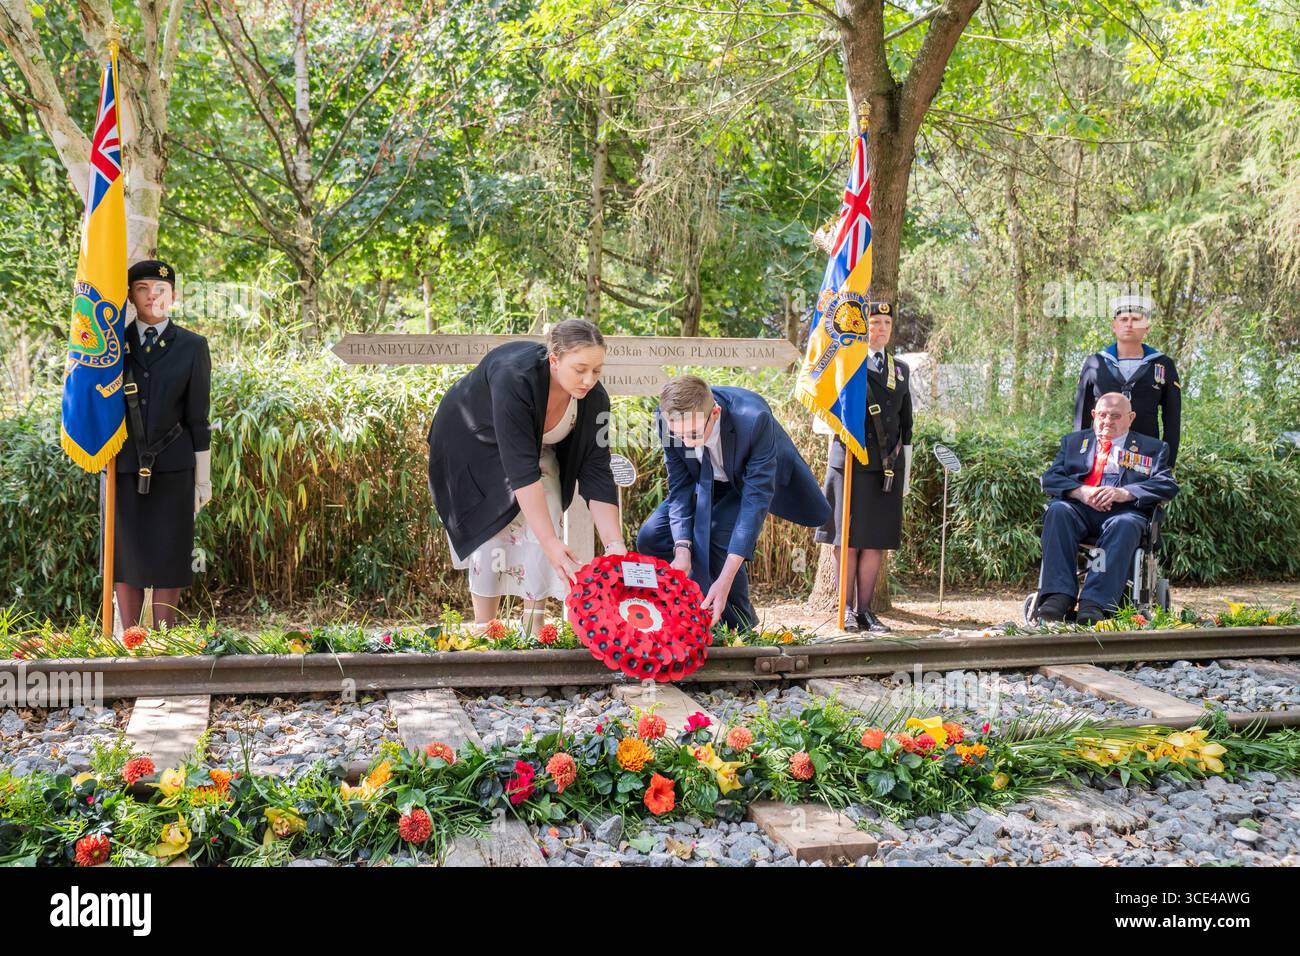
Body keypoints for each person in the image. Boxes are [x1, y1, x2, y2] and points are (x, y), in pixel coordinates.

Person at [426, 319, 624, 635]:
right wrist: (550, 543)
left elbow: (597, 470)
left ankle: (535, 630)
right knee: (492, 525)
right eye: (580, 369)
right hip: (472, 442)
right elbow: (520, 470)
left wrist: (616, 547)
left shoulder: (596, 400)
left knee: (550, 510)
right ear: (555, 359)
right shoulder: (515, 376)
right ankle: (485, 630)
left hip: (533, 448)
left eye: (597, 371)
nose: (589, 380)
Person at [636, 375, 831, 631]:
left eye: (693, 434)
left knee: (719, 537)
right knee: (650, 536)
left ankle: (738, 627)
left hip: (748, 482)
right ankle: (673, 616)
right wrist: (682, 549)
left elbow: (754, 503)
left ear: (715, 413)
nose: (686, 443)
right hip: (704, 483)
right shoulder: (669, 419)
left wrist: (724, 580)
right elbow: (680, 487)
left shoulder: (754, 418)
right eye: (678, 435)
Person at [109, 259, 212, 629]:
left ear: (174, 296)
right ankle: (132, 641)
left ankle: (165, 640)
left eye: (160, 290)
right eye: (142, 289)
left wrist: (204, 480)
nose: (152, 296)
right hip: (122, 463)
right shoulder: (111, 346)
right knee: (127, 554)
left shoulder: (192, 346)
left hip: (175, 466)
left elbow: (198, 419)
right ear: (131, 296)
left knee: (171, 551)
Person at [1037, 391, 1178, 625]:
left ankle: (1095, 603)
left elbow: (1167, 484)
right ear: (1093, 415)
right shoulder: (1073, 443)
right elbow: (1050, 478)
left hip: (1123, 513)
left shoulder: (1152, 448)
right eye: (1102, 415)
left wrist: (1125, 492)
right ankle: (1058, 596)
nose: (1107, 421)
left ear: (1130, 417)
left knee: (1126, 524)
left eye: (1115, 416)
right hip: (1079, 510)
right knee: (1057, 511)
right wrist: (1080, 492)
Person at [813, 302, 912, 633]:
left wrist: (905, 475)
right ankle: (846, 610)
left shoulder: (900, 370)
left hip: (885, 469)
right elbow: (823, 418)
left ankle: (865, 610)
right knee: (848, 539)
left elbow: (906, 427)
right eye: (874, 321)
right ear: (862, 326)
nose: (880, 328)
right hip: (851, 464)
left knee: (874, 540)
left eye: (886, 322)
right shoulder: (846, 365)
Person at [1074, 295, 1181, 466]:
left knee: (1136, 494)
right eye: (1123, 319)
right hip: (1100, 456)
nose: (1129, 324)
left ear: (1146, 327)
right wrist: (1079, 460)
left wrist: (1167, 464)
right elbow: (1081, 417)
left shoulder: (1163, 364)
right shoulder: (1095, 363)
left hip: (1146, 457)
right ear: (1114, 326)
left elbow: (1172, 420)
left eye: (1136, 319)